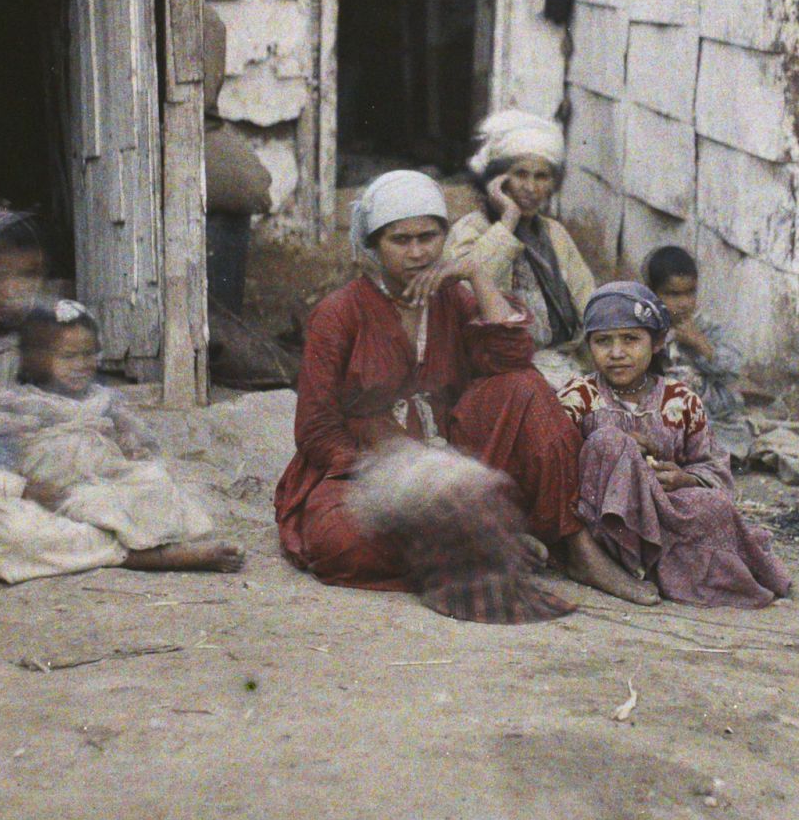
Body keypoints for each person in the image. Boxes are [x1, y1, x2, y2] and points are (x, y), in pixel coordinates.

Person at [274, 169, 656, 614]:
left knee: (525, 387)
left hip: (452, 454)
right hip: (368, 466)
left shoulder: (451, 298)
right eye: (401, 240)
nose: (417, 252)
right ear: (374, 245)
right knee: (340, 542)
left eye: (429, 237)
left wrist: (475, 272)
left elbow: (513, 359)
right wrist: (399, 474)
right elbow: (316, 428)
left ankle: (575, 547)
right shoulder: (338, 314)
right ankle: (484, 543)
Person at [0, 209, 240, 583]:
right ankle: (136, 555)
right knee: (20, 531)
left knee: (138, 481)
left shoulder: (8, 336)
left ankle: (127, 539)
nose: (14, 289)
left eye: (27, 275)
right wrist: (21, 488)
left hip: (16, 474)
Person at [558, 282, 792, 609]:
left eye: (630, 339)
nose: (616, 353)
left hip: (664, 513)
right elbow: (557, 465)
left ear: (655, 343)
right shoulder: (578, 396)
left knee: (714, 508)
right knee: (609, 440)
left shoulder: (681, 400)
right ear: (589, 345)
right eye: (603, 341)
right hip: (602, 520)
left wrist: (685, 478)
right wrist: (617, 453)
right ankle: (604, 565)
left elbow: (711, 466)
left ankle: (653, 565)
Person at [0, 299, 222, 554]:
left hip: (106, 476)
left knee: (153, 479)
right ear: (35, 359)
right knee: (92, 506)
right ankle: (149, 554)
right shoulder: (21, 405)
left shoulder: (101, 400)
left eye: (88, 354)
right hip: (58, 491)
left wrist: (133, 452)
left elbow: (133, 442)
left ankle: (147, 542)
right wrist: (19, 487)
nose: (81, 365)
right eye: (68, 356)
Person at [445, 109, 598, 388]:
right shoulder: (471, 230)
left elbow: (589, 303)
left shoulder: (554, 234)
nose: (530, 187)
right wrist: (508, 220)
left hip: (563, 365)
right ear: (498, 180)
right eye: (520, 175)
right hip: (500, 371)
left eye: (541, 177)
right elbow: (464, 294)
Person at [644, 245, 754, 464]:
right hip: (660, 415)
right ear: (651, 293)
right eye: (674, 294)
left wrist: (701, 345)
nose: (685, 303)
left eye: (690, 292)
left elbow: (733, 370)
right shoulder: (644, 329)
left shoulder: (707, 328)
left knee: (735, 438)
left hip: (709, 417)